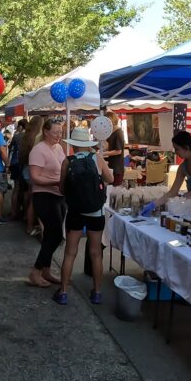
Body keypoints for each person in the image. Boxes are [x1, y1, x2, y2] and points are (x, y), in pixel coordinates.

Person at [55, 128, 114, 305]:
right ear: (87, 144)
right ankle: (97, 292)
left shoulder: (68, 161)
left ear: (73, 144)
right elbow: (110, 179)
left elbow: (62, 188)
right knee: (96, 253)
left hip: (75, 211)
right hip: (96, 211)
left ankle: (63, 292)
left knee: (70, 253)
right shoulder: (97, 158)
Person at [27, 118, 65, 287]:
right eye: (55, 132)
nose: (58, 135)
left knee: (52, 234)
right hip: (44, 195)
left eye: (60, 132)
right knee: (55, 234)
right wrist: (55, 182)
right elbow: (35, 177)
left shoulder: (58, 147)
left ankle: (46, 270)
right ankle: (35, 271)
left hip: (58, 195)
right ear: (46, 132)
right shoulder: (38, 150)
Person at [19, 116, 44, 235]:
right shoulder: (38, 138)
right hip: (34, 170)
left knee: (29, 196)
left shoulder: (26, 136)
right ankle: (30, 225)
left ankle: (26, 217)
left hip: (26, 169)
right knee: (34, 201)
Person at [8, 120, 27, 220]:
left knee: (16, 188)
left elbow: (10, 148)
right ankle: (24, 214)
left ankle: (14, 212)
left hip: (15, 163)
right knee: (25, 190)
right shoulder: (29, 137)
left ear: (21, 126)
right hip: (24, 164)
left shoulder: (17, 136)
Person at [103, 119, 126, 187]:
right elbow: (110, 146)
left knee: (114, 190)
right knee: (110, 188)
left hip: (117, 168)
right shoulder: (112, 132)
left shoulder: (118, 132)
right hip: (112, 166)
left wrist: (104, 153)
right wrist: (102, 151)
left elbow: (118, 151)